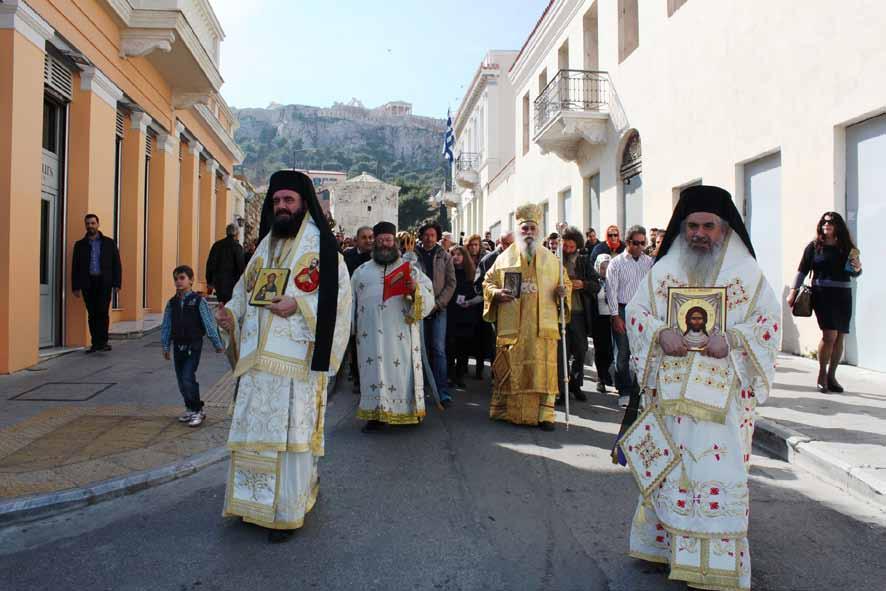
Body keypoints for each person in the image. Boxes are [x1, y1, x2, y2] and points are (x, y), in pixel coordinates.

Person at [624, 185, 780, 590]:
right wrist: (659, 334)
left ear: (725, 228)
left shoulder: (746, 273)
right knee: (672, 474)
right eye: (692, 225)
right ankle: (666, 550)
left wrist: (732, 340)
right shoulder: (665, 269)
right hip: (673, 402)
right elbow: (637, 310)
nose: (699, 233)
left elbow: (768, 323)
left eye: (708, 225)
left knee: (715, 471)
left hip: (723, 405)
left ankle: (720, 566)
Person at [215, 170, 352, 543]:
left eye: (288, 200)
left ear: (303, 202)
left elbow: (339, 302)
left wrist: (299, 305)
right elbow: (245, 292)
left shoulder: (322, 248)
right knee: (254, 436)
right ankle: (250, 505)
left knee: (288, 441)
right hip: (258, 364)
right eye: (276, 201)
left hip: (295, 365)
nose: (281, 207)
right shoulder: (263, 248)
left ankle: (284, 513)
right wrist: (230, 312)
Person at [482, 203, 571, 431]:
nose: (529, 232)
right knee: (513, 367)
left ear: (538, 230)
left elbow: (566, 284)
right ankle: (508, 412)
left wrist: (564, 292)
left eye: (532, 228)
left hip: (542, 328)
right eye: (525, 229)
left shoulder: (552, 260)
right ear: (518, 231)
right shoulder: (503, 258)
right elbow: (487, 282)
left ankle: (545, 415)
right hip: (515, 328)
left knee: (543, 370)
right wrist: (496, 293)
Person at [353, 222, 435, 430]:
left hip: (400, 333)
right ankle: (375, 416)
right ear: (374, 244)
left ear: (395, 242)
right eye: (379, 241)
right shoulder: (361, 272)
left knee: (402, 372)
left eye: (388, 240)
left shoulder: (410, 270)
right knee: (373, 373)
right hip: (369, 335)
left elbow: (428, 295)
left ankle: (407, 412)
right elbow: (348, 304)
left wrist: (415, 289)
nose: (384, 244)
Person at [787, 211, 862, 393]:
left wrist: (858, 267)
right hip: (822, 294)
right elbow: (802, 271)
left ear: (838, 226)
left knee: (840, 336)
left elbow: (855, 272)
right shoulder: (814, 247)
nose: (826, 225)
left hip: (843, 294)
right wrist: (792, 292)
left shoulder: (846, 247)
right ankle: (821, 374)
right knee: (829, 336)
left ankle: (832, 376)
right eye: (824, 222)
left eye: (830, 222)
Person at [160, 265, 225, 427]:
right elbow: (166, 325)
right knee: (181, 380)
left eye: (182, 278)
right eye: (176, 279)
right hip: (178, 346)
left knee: (188, 377)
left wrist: (217, 343)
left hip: (193, 345)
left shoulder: (198, 301)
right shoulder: (172, 303)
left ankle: (198, 410)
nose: (178, 282)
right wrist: (165, 346)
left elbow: (209, 323)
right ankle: (189, 408)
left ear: (191, 280)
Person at [606, 225, 654, 408]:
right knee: (623, 352)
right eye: (636, 243)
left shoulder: (648, 262)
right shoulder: (616, 263)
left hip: (643, 310)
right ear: (628, 242)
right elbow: (611, 290)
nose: (640, 247)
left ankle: (640, 390)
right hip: (623, 308)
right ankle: (624, 390)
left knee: (642, 352)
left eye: (643, 243)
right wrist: (615, 315)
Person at [415, 221, 456, 405]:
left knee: (438, 350)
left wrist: (438, 304)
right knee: (418, 349)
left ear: (437, 236)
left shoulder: (444, 256)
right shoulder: (413, 255)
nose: (429, 238)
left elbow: (451, 283)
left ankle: (442, 390)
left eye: (432, 235)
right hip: (418, 308)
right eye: (426, 234)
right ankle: (419, 391)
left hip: (439, 309)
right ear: (421, 236)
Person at [71, 214, 122, 353]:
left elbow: (116, 264)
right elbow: (75, 266)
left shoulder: (109, 243)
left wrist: (117, 283)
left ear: (98, 224)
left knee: (103, 312)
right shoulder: (80, 245)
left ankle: (103, 342)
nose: (90, 226)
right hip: (88, 283)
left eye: (93, 223)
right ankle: (95, 343)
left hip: (104, 282)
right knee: (92, 313)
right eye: (88, 223)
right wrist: (75, 287)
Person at [556, 227, 592, 403]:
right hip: (560, 313)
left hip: (578, 313)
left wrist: (583, 284)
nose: (568, 250)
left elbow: (596, 284)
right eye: (566, 246)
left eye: (572, 247)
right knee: (561, 353)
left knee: (580, 351)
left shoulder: (584, 262)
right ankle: (562, 391)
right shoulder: (554, 261)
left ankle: (575, 384)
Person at [342, 225, 374, 392]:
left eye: (371, 237)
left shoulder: (377, 258)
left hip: (370, 307)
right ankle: (357, 378)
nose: (368, 240)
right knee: (354, 342)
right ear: (357, 240)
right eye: (364, 237)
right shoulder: (347, 256)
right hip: (351, 304)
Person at [447, 245, 483, 387]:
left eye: (459, 254)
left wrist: (469, 302)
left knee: (463, 348)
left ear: (465, 256)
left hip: (466, 314)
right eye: (453, 254)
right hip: (450, 313)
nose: (456, 257)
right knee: (449, 346)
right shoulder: (448, 272)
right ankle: (450, 375)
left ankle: (459, 375)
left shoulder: (472, 273)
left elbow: (480, 294)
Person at [587, 253, 614, 393]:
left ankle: (605, 372)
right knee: (600, 350)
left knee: (610, 351)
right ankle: (601, 378)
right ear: (598, 267)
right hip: (599, 320)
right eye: (603, 267)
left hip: (612, 318)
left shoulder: (615, 281)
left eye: (608, 267)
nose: (605, 270)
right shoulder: (594, 282)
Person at [205, 223, 246, 304]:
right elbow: (240, 266)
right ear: (237, 234)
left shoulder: (217, 245)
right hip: (233, 282)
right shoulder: (237, 247)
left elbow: (210, 263)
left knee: (222, 303)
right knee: (231, 304)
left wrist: (209, 281)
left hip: (219, 282)